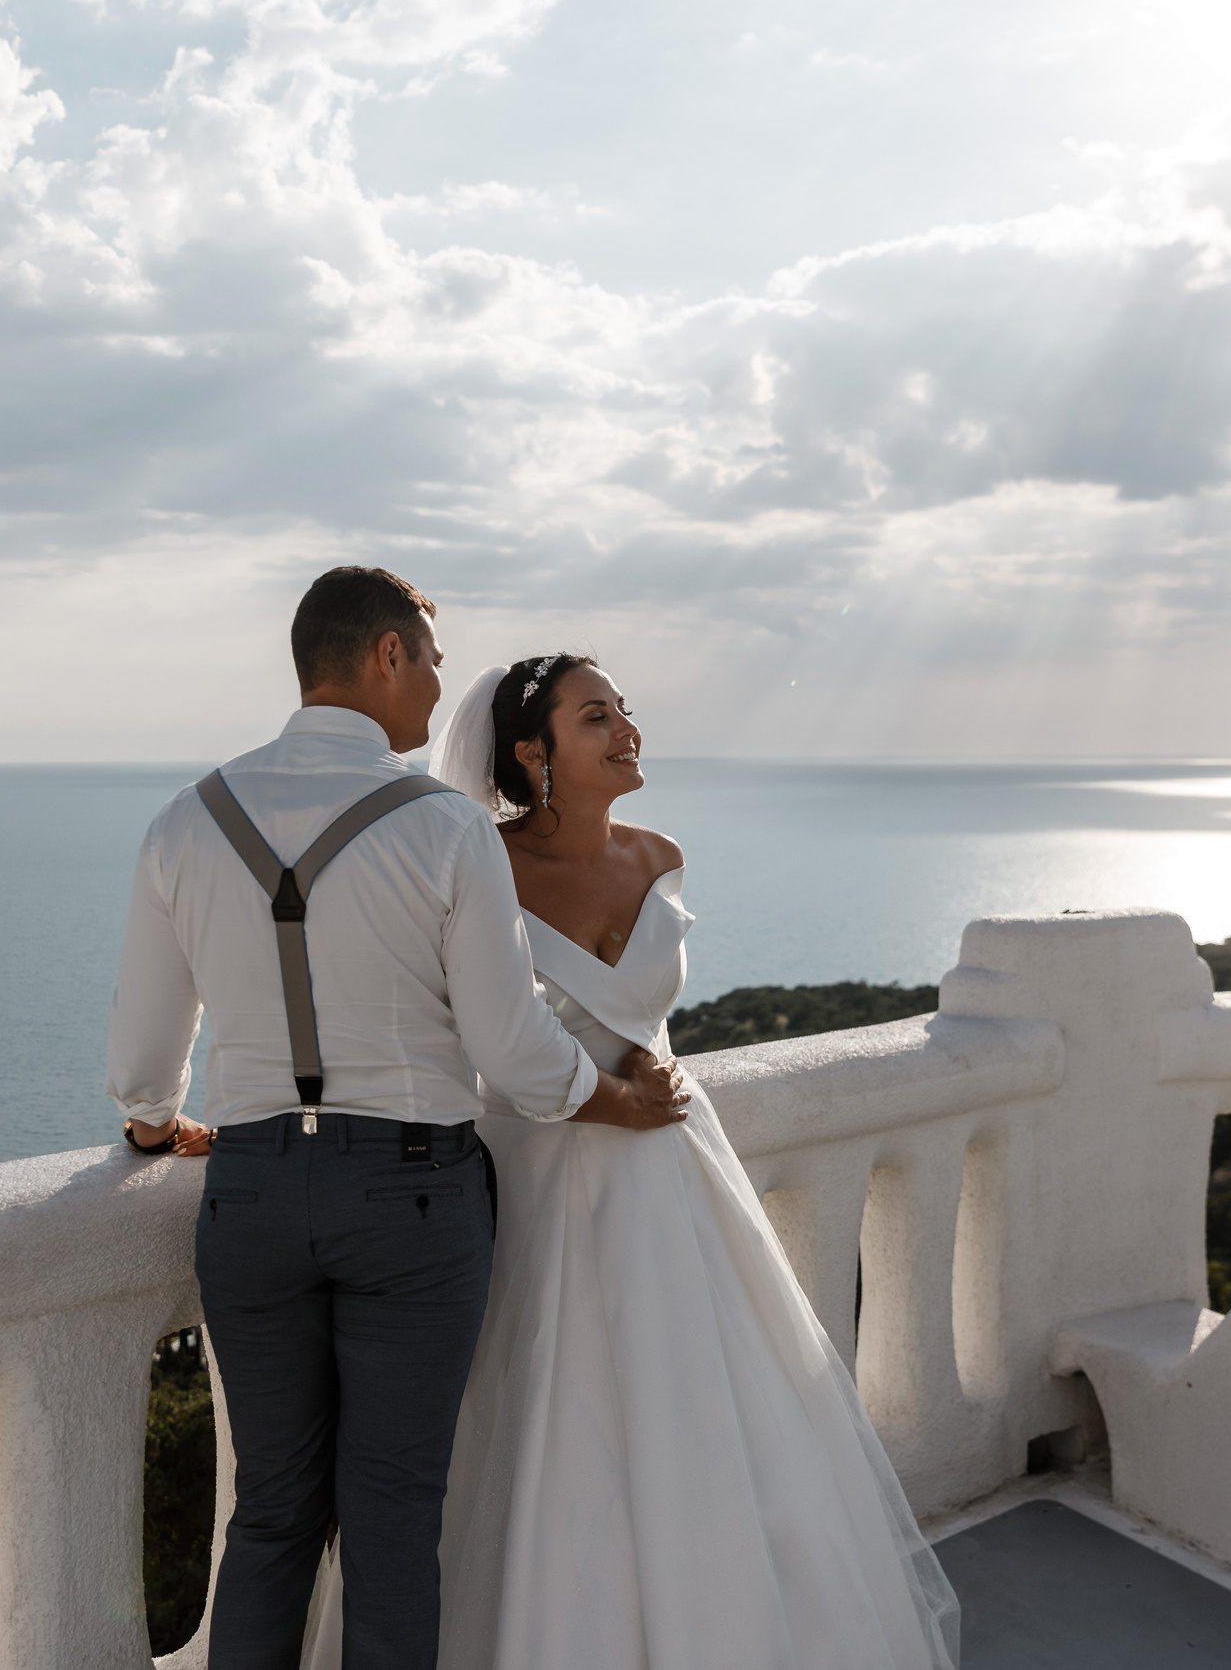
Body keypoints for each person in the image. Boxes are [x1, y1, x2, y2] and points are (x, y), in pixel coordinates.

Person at [103, 568, 686, 1670]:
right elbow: (518, 1059)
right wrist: (619, 1098)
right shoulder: (442, 827)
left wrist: (152, 1127)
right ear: (382, 656)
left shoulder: (185, 823)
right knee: (388, 1519)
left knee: (269, 1513)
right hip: (414, 1200)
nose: (435, 686)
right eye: (427, 658)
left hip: (254, 1193)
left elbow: (141, 1064)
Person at [423, 653, 963, 1670]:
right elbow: (482, 1033)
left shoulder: (660, 853)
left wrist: (640, 1097)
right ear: (532, 753)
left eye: (624, 711)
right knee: (555, 1414)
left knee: (709, 1408)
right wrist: (603, 1098)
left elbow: (644, 1019)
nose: (628, 730)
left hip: (673, 1163)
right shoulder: (476, 864)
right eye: (596, 718)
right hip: (543, 1171)